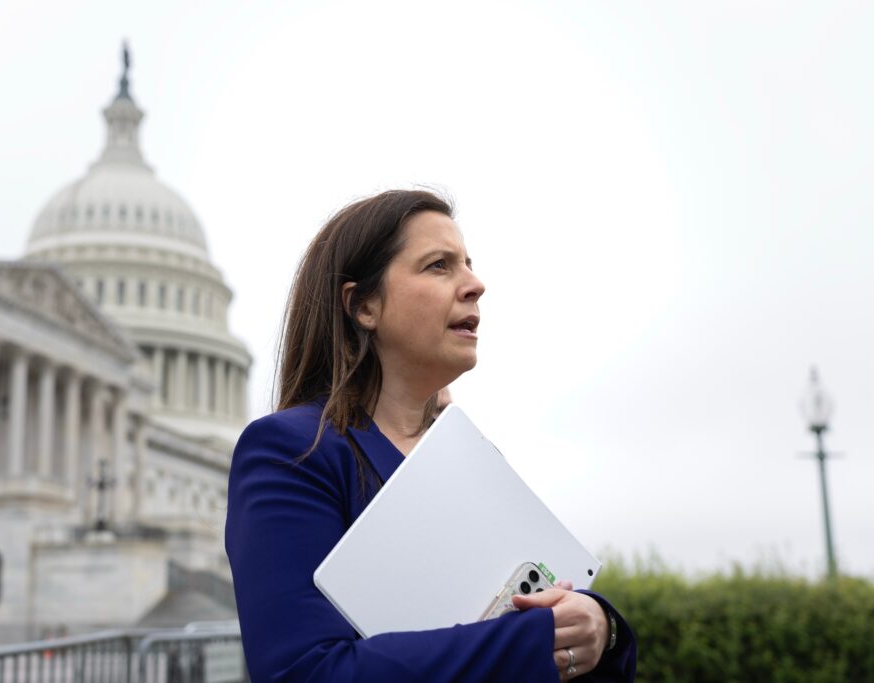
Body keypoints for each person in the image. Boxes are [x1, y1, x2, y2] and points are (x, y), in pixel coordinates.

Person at [225, 190, 636, 681]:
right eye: (439, 266)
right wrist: (536, 639)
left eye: (467, 264)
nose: (476, 285)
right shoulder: (290, 451)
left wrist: (599, 625)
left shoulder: (473, 456)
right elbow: (303, 671)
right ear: (363, 306)